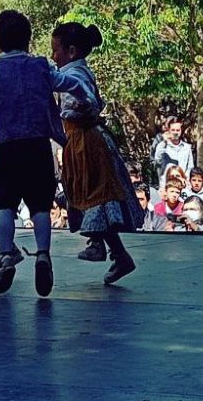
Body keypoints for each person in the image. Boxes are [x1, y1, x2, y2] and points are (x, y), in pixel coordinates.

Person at [0, 10, 92, 299]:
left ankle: (6, 255)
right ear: (29, 38)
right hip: (38, 145)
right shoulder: (41, 66)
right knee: (40, 206)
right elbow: (69, 83)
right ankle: (43, 256)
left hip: (6, 147)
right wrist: (86, 95)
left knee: (5, 206)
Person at [50, 21, 143, 285]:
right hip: (77, 140)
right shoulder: (74, 72)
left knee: (96, 194)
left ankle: (99, 244)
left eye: (55, 51)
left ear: (70, 51)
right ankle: (115, 251)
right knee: (91, 193)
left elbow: (86, 100)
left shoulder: (74, 76)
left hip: (86, 141)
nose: (53, 56)